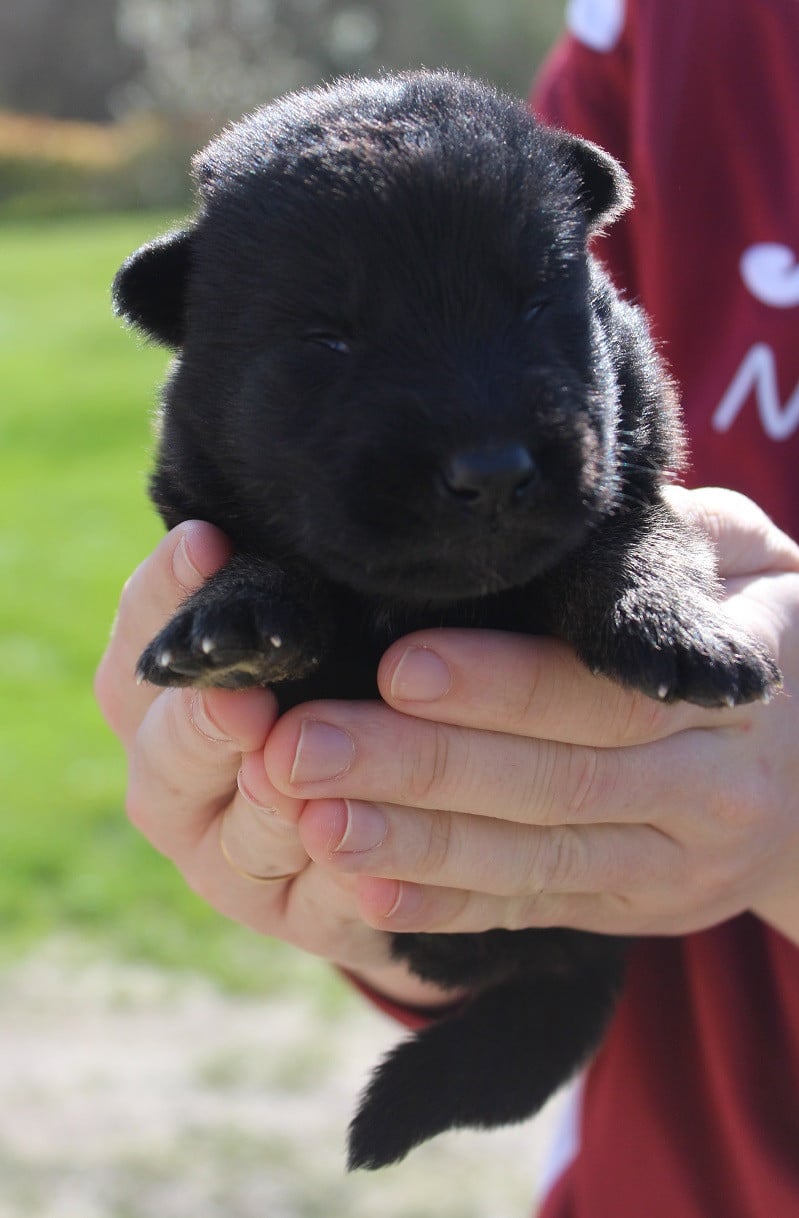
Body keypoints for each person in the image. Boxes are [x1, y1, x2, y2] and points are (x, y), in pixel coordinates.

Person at [96, 1, 799, 1213]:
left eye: (531, 309)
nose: (481, 446)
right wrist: (370, 885)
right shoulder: (674, 33)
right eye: (327, 344)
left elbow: (633, 508)